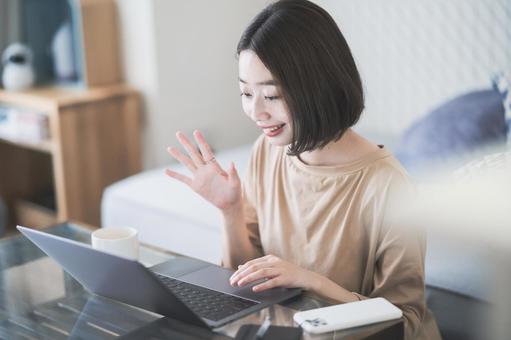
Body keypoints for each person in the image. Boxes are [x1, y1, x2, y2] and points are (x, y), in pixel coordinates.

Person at [165, 1, 440, 339]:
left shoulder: (388, 186)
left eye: (272, 95)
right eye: (246, 92)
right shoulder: (267, 151)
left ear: (319, 87)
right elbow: (243, 282)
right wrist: (230, 211)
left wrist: (311, 282)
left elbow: (405, 323)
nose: (255, 112)